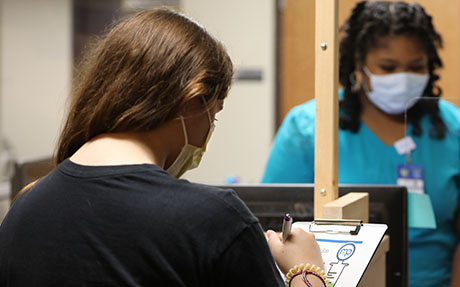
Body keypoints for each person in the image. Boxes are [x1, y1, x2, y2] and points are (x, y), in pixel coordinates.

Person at [0, 9, 326, 287]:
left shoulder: (23, 211)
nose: (208, 134)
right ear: (191, 101)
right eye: (213, 114)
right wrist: (306, 270)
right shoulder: (213, 220)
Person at [262, 1, 460, 286]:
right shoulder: (308, 128)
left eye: (415, 67)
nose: (402, 78)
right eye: (388, 67)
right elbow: (277, 229)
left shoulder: (455, 130)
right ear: (359, 61)